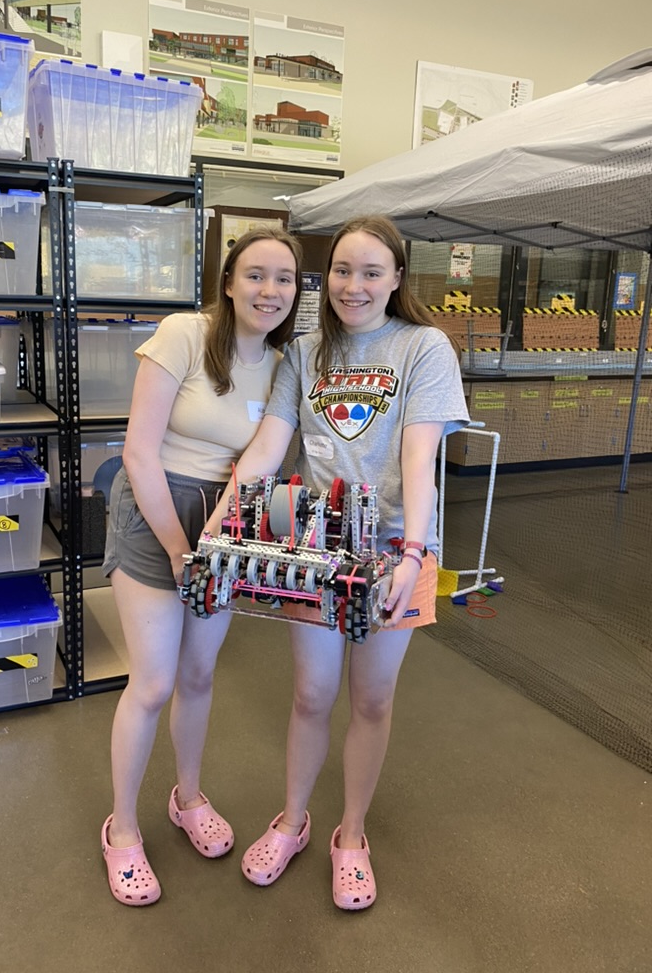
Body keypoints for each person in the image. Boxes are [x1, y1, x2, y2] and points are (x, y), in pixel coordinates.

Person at [203, 215, 469, 910]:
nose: (354, 285)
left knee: (372, 698)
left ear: (397, 278)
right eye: (343, 271)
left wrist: (413, 550)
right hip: (318, 546)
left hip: (394, 549)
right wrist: (219, 523)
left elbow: (419, 455)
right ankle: (293, 821)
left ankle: (351, 837)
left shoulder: (423, 347)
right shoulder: (306, 353)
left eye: (372, 271)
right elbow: (268, 446)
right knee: (311, 694)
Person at [100, 226, 302, 906]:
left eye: (284, 279)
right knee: (154, 682)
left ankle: (186, 798)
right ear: (228, 280)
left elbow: (260, 461)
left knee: (196, 672)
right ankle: (121, 829)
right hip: (156, 507)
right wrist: (182, 551)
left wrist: (218, 542)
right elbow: (137, 453)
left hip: (225, 518)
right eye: (255, 275)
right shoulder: (183, 333)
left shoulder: (283, 363)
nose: (269, 291)